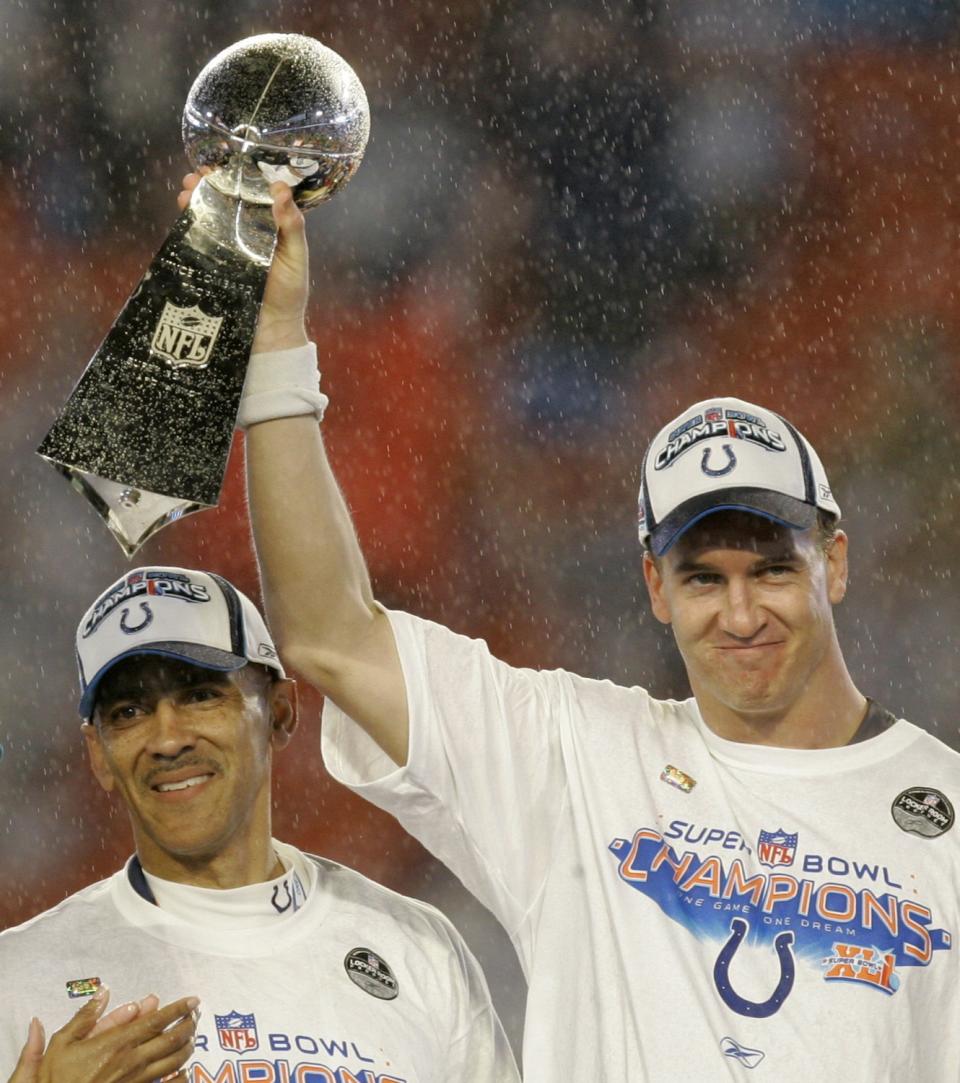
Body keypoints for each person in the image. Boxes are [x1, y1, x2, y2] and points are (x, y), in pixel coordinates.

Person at [225, 172, 960, 1080]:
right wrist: (275, 348)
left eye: (773, 567)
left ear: (836, 562)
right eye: (703, 576)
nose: (739, 611)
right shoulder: (575, 760)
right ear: (655, 586)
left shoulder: (947, 817)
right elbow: (326, 634)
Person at [0, 564, 518, 1083]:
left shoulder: (416, 948)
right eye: (129, 711)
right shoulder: (18, 979)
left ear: (281, 711)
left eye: (200, 695)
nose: (167, 739)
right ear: (98, 754)